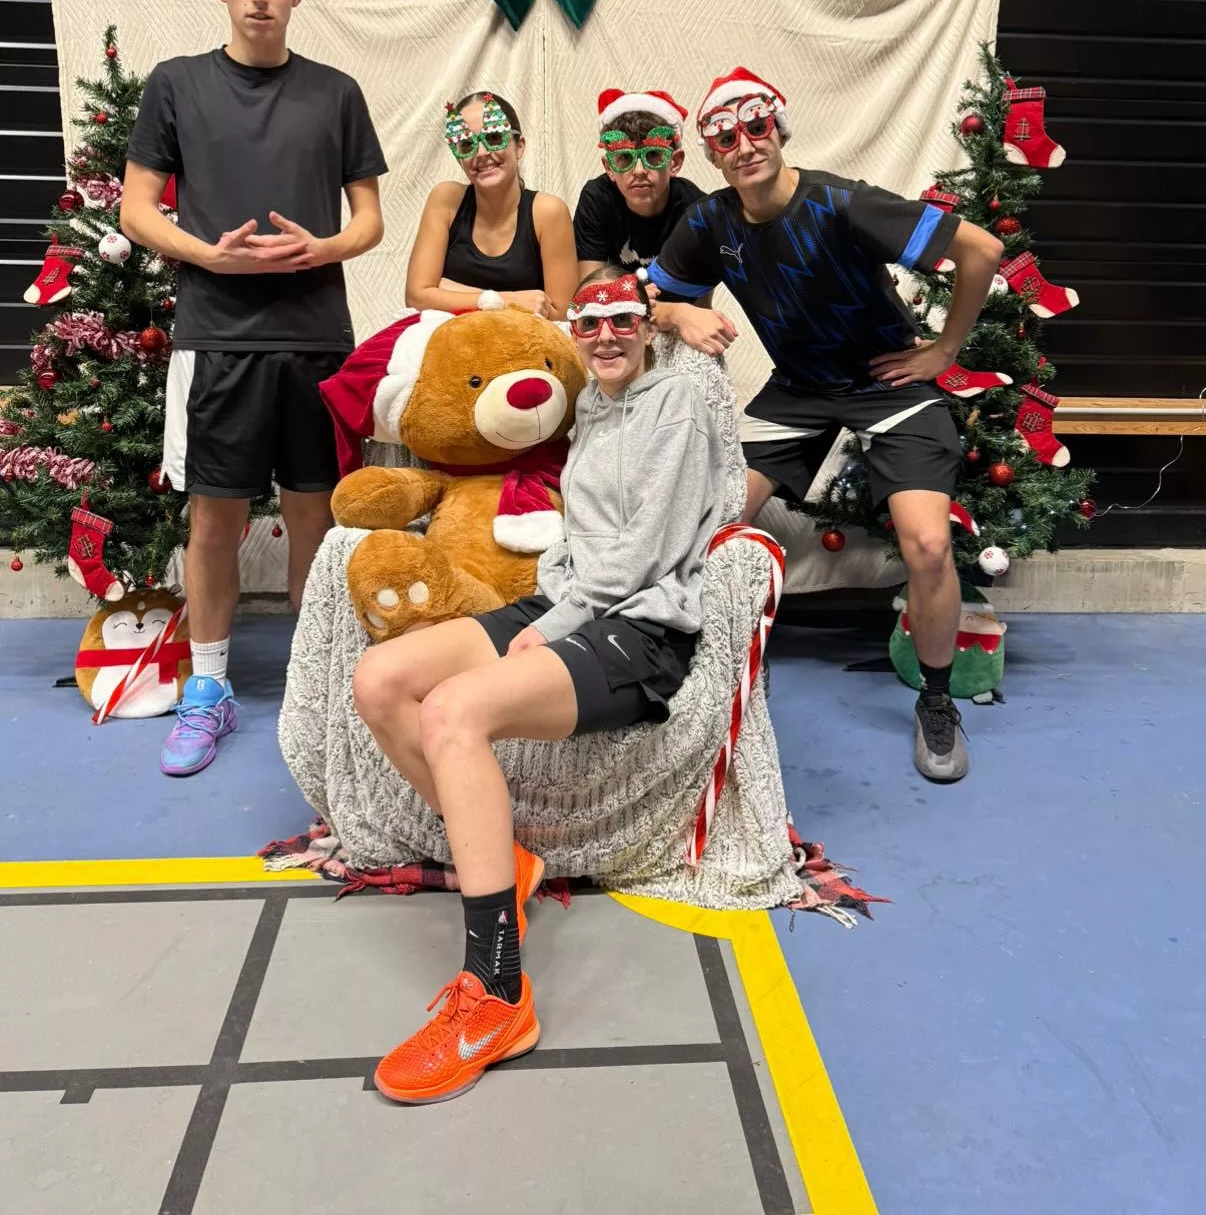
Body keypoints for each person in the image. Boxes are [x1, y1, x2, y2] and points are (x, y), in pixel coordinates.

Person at [351, 266, 725, 1104]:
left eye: (623, 319)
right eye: (589, 323)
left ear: (648, 324)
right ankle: (509, 861)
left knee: (453, 712)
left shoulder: (676, 403)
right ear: (574, 334)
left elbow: (645, 552)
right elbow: (579, 536)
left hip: (640, 628)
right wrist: (552, 603)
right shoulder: (591, 406)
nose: (606, 336)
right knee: (380, 679)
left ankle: (497, 996)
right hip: (569, 604)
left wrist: (554, 626)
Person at [647, 66, 1004, 784]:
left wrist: (943, 350)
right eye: (726, 137)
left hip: (885, 386)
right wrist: (677, 311)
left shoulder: (842, 203)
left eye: (756, 127)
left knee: (929, 544)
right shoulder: (710, 223)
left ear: (777, 129)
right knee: (706, 526)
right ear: (711, 154)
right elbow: (641, 297)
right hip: (799, 392)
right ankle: (691, 680)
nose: (745, 145)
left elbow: (983, 249)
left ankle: (936, 702)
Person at [121, 0, 387, 776]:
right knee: (214, 521)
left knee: (316, 517)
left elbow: (368, 222)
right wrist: (210, 254)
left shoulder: (336, 92)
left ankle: (316, 684)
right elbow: (135, 210)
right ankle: (208, 687)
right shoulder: (176, 84)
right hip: (217, 337)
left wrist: (323, 248)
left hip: (317, 339)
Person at [575, 86, 736, 357]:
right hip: (614, 327)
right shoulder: (597, 199)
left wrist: (673, 315)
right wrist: (671, 311)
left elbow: (698, 311)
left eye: (652, 156)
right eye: (625, 158)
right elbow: (590, 297)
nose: (639, 171)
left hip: (674, 332)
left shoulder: (697, 211)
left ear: (675, 162)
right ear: (609, 167)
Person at [405, 92, 576, 318]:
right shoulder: (446, 200)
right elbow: (416, 297)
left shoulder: (547, 212)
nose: (482, 153)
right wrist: (506, 300)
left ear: (520, 146)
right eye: (467, 144)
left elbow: (561, 314)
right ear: (458, 157)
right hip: (448, 336)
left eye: (494, 137)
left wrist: (448, 290)